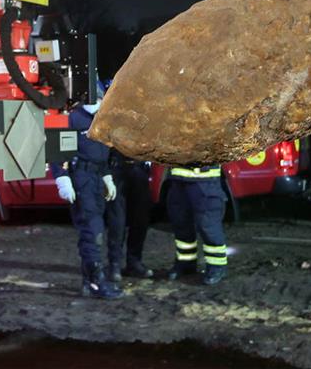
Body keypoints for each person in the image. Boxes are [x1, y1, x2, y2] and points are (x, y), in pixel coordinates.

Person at [52, 84, 123, 299]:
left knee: (93, 231)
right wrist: (62, 178)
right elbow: (58, 151)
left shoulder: (102, 119)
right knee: (92, 232)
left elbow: (102, 155)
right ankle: (95, 282)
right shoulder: (74, 119)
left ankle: (88, 281)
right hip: (81, 180)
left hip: (94, 180)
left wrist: (106, 176)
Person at [165, 164, 228, 285]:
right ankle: (185, 263)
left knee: (208, 226)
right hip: (178, 181)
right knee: (181, 223)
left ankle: (217, 266)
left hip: (205, 180)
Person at [105, 148, 154, 281]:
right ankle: (114, 264)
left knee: (140, 219)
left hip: (139, 167)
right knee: (117, 221)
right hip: (117, 167)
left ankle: (134, 262)